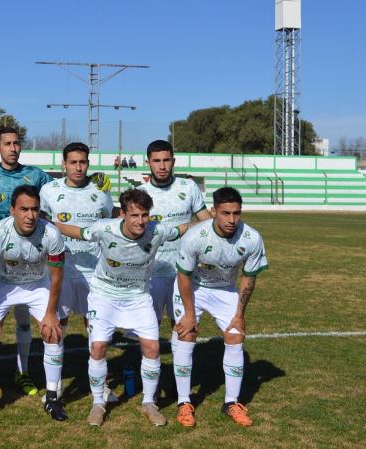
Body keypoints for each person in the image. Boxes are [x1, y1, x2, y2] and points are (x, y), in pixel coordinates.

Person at [52, 189, 190, 427]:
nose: (140, 221)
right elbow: (77, 231)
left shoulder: (157, 230)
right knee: (98, 347)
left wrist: (209, 220)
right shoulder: (105, 229)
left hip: (138, 297)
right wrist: (49, 222)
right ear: (122, 214)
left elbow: (181, 229)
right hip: (104, 295)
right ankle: (98, 404)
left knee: (152, 347)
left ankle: (149, 403)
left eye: (145, 215)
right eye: (134, 215)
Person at [172, 187, 268, 428]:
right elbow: (183, 276)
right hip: (193, 287)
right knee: (187, 333)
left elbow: (248, 278)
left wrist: (239, 315)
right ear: (214, 211)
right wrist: (190, 313)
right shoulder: (195, 236)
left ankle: (231, 403)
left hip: (225, 290)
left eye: (236, 213)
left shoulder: (252, 238)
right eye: (225, 213)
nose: (232, 219)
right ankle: (184, 403)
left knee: (235, 336)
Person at [0, 185, 67, 423]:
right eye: (24, 209)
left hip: (38, 284)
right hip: (4, 284)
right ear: (12, 210)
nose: (30, 215)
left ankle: (52, 396)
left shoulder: (51, 233)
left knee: (53, 331)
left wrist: (50, 314)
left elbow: (57, 276)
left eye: (35, 209)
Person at [39, 142, 117, 403]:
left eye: (82, 162)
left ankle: (101, 384)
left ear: (88, 163)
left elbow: (112, 220)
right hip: (61, 269)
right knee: (57, 327)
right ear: (63, 164)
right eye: (73, 162)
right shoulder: (49, 191)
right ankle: (55, 386)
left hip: (95, 271)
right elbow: (41, 225)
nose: (78, 167)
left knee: (95, 327)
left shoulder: (100, 191)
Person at [0, 127, 52, 397]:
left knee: (24, 323)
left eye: (16, 143)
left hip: (29, 259)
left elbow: (54, 197)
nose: (13, 148)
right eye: (7, 144)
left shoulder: (36, 175)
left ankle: (23, 373)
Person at [136, 140, 211, 349]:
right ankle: (151, 377)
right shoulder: (140, 193)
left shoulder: (188, 187)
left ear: (173, 161)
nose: (162, 166)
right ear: (148, 163)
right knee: (149, 330)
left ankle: (179, 378)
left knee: (184, 327)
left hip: (184, 273)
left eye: (166, 160)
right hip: (152, 272)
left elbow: (205, 222)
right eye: (156, 161)